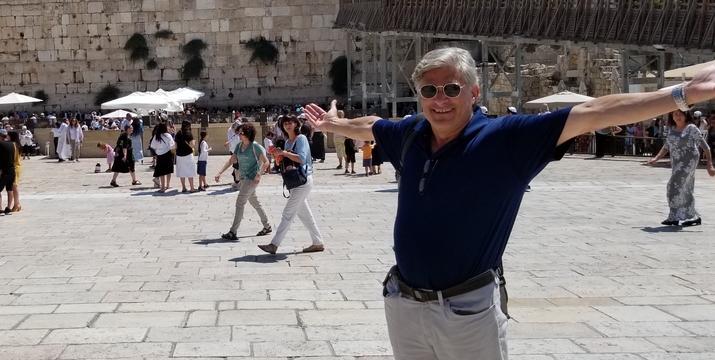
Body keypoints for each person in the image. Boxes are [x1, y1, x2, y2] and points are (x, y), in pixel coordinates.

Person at [303, 46, 715, 358]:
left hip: (467, 311)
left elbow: (593, 112)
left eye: (451, 88)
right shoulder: (411, 133)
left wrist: (681, 94)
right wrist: (332, 123)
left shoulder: (506, 139)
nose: (440, 99)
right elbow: (373, 126)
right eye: (429, 89)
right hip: (404, 304)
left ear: (474, 91)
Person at [258, 115, 325, 255]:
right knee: (305, 215)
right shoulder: (288, 142)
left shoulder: (301, 139)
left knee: (288, 213)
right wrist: (279, 156)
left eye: (290, 123)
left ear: (296, 124)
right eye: (285, 123)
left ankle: (274, 244)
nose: (287, 125)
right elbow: (285, 161)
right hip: (295, 181)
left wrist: (284, 153)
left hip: (303, 179)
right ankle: (318, 242)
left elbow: (300, 158)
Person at [647, 110, 714, 226]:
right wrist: (656, 158)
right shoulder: (672, 129)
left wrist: (710, 165)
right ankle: (693, 216)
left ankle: (674, 216)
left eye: (680, 114)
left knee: (672, 185)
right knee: (685, 188)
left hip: (689, 160)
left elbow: (705, 146)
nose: (677, 116)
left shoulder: (691, 128)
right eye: (675, 114)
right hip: (676, 161)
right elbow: (666, 146)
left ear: (685, 115)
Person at [214, 123, 272, 241]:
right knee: (255, 202)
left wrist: (259, 174)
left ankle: (233, 231)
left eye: (241, 133)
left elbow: (266, 162)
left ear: (248, 134)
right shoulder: (239, 146)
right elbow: (231, 160)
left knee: (240, 202)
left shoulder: (255, 146)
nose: (239, 135)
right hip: (243, 178)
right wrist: (220, 172)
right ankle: (267, 226)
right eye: (238, 133)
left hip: (251, 179)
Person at [150, 123, 176, 193]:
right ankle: (168, 185)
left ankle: (162, 187)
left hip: (160, 155)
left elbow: (153, 146)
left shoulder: (156, 136)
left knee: (162, 172)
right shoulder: (168, 136)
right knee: (168, 170)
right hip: (168, 154)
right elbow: (172, 146)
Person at [175, 121, 197, 193]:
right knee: (190, 171)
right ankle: (192, 188)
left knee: (182, 171)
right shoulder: (189, 134)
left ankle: (184, 187)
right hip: (188, 154)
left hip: (179, 155)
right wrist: (194, 141)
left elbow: (175, 145)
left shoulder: (178, 134)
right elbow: (192, 145)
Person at [7, 131, 24, 212]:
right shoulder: (18, 144)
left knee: (14, 186)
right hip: (18, 166)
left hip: (14, 167)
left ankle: (17, 203)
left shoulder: (13, 145)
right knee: (14, 186)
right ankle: (17, 203)